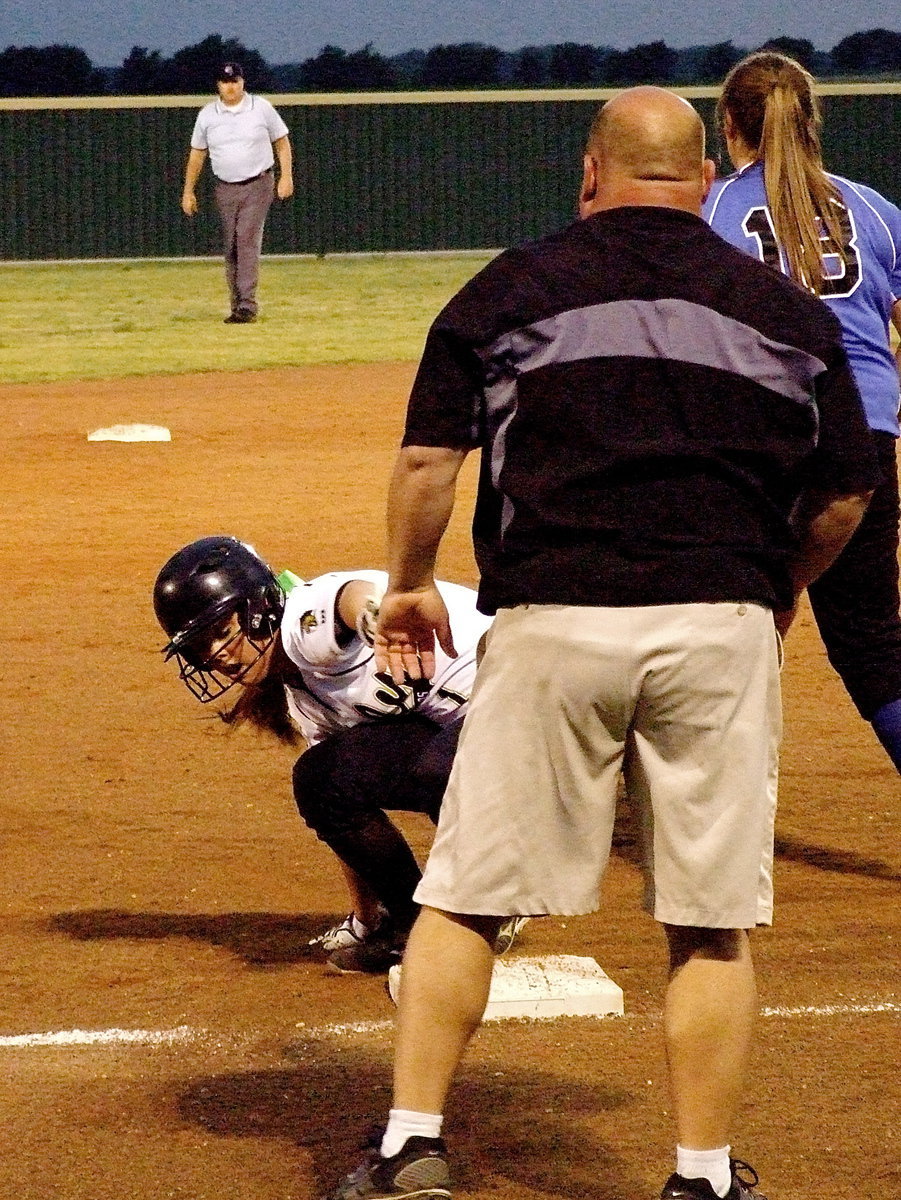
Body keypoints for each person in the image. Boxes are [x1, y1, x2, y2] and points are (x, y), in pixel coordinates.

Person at [329, 88, 879, 1200]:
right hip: (715, 627)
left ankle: (412, 1148)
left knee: (465, 896)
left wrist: (408, 588)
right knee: (709, 924)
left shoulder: (511, 288)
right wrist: (773, 589)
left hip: (553, 620)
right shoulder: (782, 310)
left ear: (590, 174)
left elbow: (429, 463)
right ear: (703, 184)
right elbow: (847, 495)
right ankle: (700, 1175)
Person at [152, 535, 525, 974]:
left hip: (529, 701)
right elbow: (342, 811)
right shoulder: (305, 699)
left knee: (440, 768)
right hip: (481, 734)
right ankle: (415, 925)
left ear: (259, 608)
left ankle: (489, 898)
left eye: (221, 631)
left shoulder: (301, 624)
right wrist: (366, 918)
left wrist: (375, 618)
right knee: (322, 778)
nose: (217, 655)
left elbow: (349, 599)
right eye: (200, 648)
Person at [703, 51, 901, 773]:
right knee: (874, 648)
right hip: (865, 446)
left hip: (754, 454)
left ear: (726, 123)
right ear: (812, 121)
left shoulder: (710, 211)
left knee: (704, 629)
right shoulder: (876, 213)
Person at [181, 62, 294, 324]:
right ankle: (237, 305)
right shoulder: (208, 115)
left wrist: (286, 176)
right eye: (225, 82)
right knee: (231, 245)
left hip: (258, 183)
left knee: (246, 239)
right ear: (218, 85)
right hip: (225, 187)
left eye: (235, 81)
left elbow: (282, 142)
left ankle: (247, 304)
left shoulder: (261, 108)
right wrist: (188, 191)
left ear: (243, 82)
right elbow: (197, 154)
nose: (230, 86)